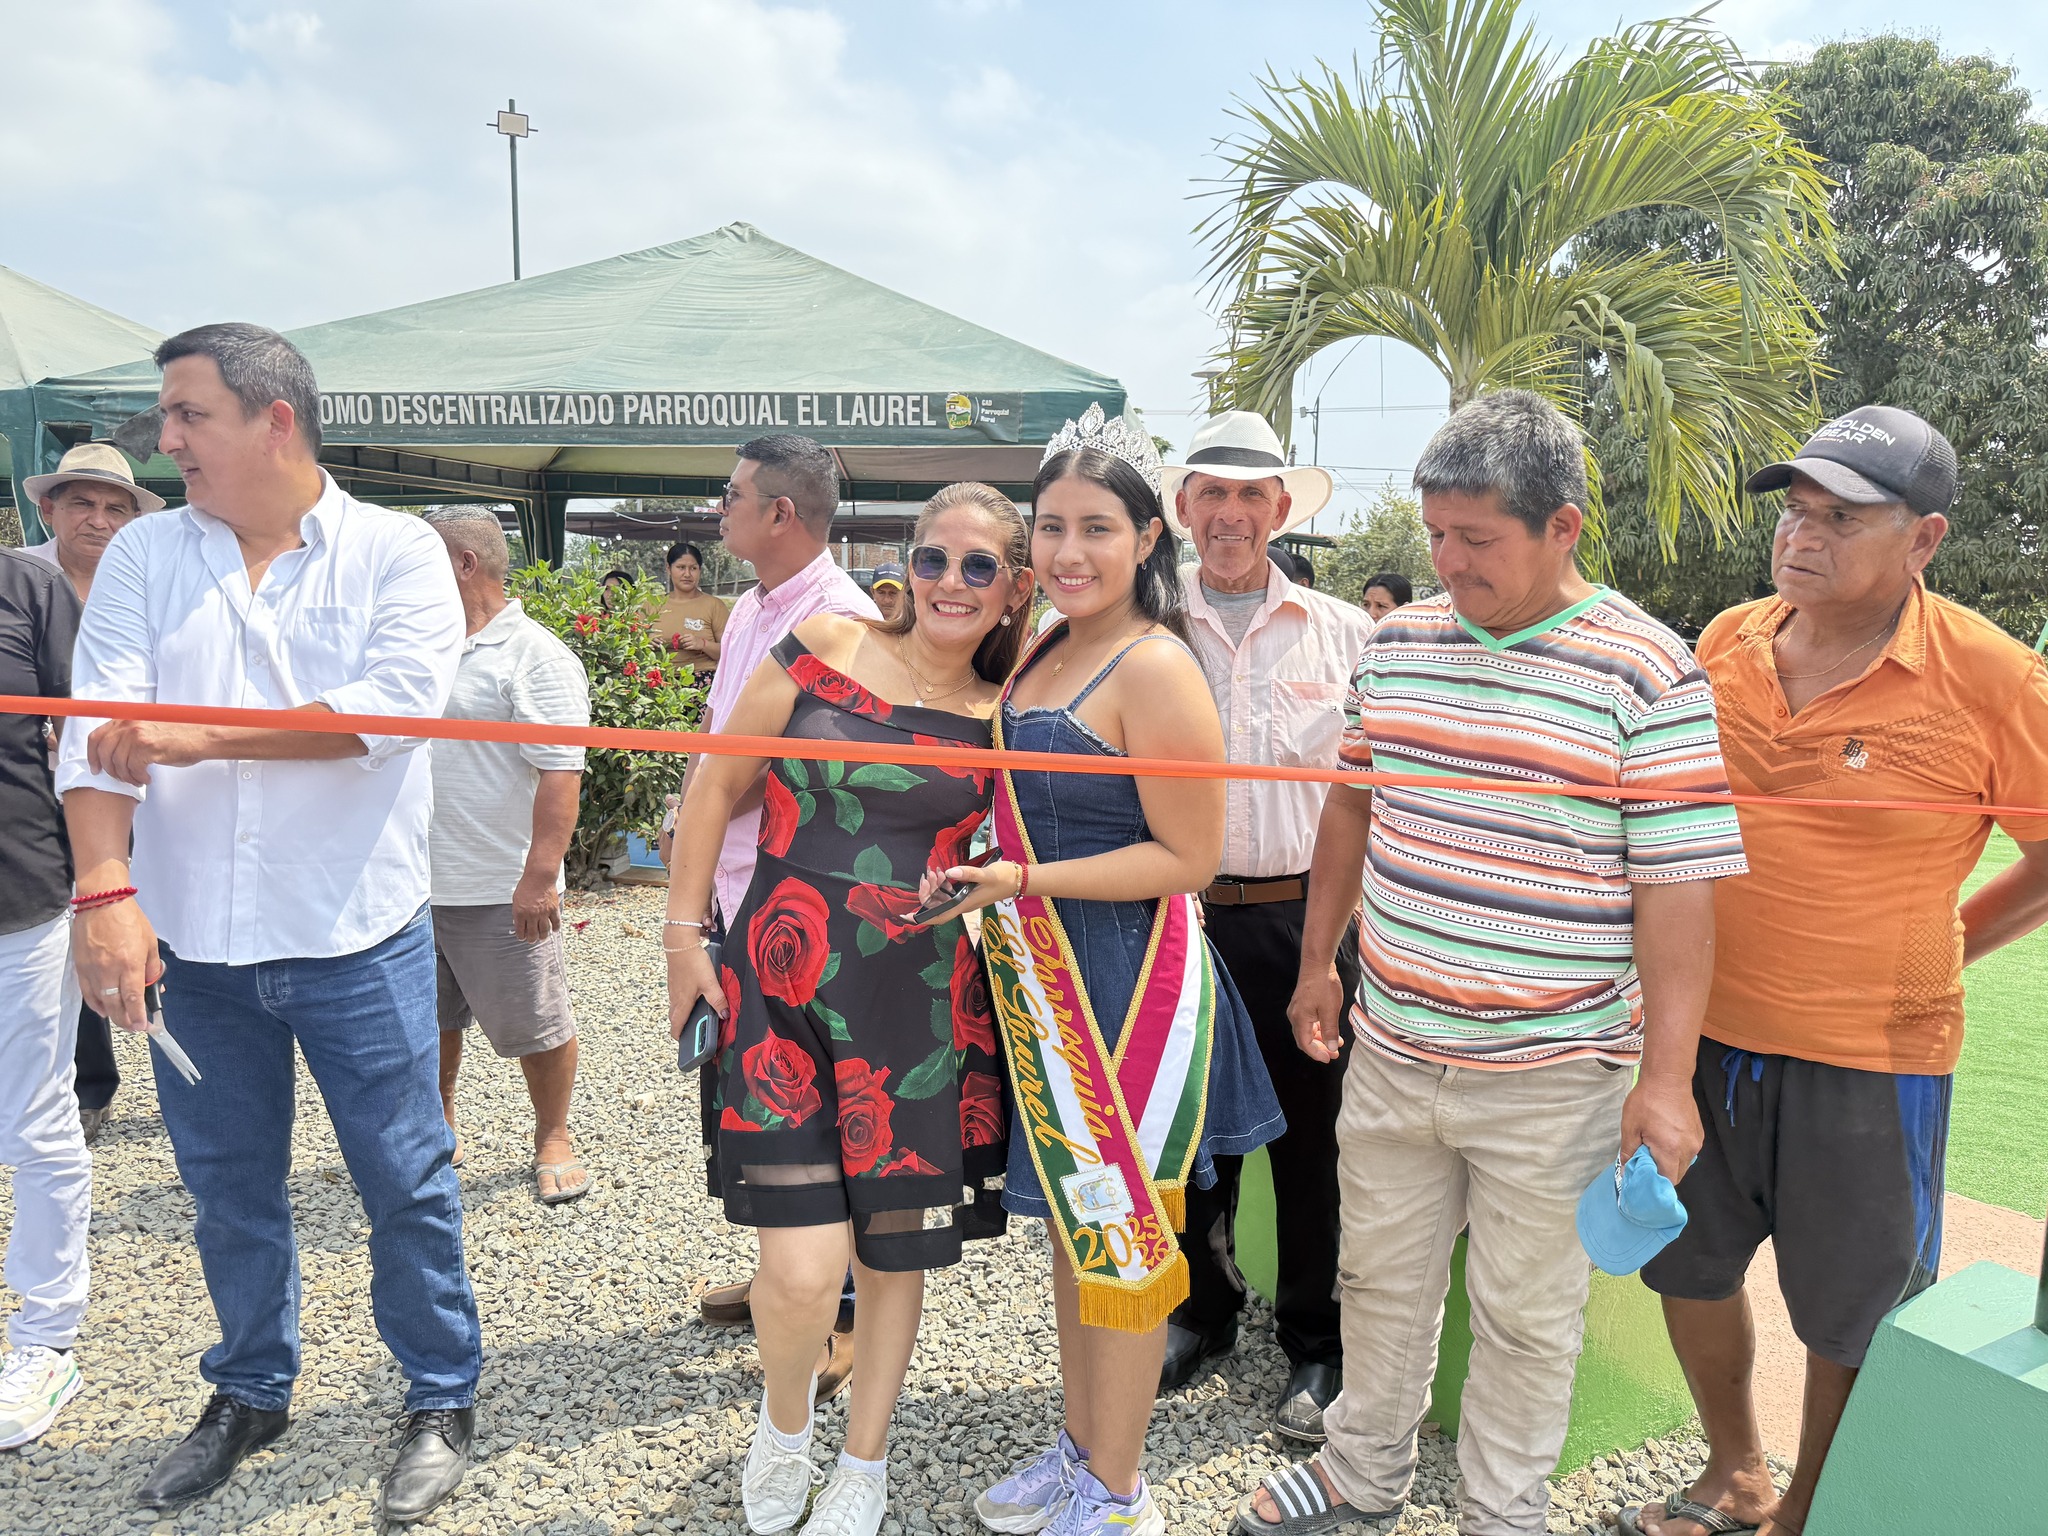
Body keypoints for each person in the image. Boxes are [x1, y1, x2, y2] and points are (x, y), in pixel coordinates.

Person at [1235, 390, 1749, 1536]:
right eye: (1434, 535)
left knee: (1525, 1316)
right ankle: (1361, 1470)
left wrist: (1664, 1081)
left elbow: (1677, 890)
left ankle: (1500, 1511)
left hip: (1553, 1073)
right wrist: (1319, 963)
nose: (1446, 563)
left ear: (1562, 527)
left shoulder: (1647, 672)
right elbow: (1350, 807)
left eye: (1475, 539)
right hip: (1392, 1047)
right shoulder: (1397, 644)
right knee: (1378, 1281)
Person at [58, 323, 481, 1522]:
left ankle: (439, 1393)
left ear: (274, 420)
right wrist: (104, 891)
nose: (168, 440)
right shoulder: (146, 555)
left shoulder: (397, 550)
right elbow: (95, 731)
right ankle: (250, 1389)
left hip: (357, 931)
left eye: (188, 414)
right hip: (191, 937)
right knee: (226, 1186)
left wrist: (199, 732)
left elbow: (395, 712)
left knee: (403, 1178)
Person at [1623, 407, 2048, 1536]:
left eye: (1841, 518)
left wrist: (1946, 944)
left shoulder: (1992, 677)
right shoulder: (1727, 640)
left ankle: (1810, 1505)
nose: (1800, 536)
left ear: (1923, 540)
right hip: (1702, 1038)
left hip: (1872, 1058)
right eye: (1795, 511)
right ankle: (1734, 1472)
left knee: (1852, 1310)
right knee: (1685, 1266)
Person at [934, 406, 1283, 1536]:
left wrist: (1023, 879)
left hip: (1128, 984)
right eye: (1050, 527)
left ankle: (1118, 1492)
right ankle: (1082, 1446)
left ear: (1145, 538)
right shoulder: (1044, 647)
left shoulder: (1156, 665)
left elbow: (1189, 857)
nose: (1068, 551)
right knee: (1071, 1229)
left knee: (1124, 1235)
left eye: (1096, 528)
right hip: (1041, 973)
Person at [666, 481, 1032, 1536]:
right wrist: (681, 935)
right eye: (932, 558)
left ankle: (863, 1462)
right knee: (796, 1269)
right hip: (776, 984)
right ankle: (784, 1427)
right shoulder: (827, 641)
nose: (951, 582)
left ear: (1013, 589)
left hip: (915, 1008)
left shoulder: (1006, 716)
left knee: (892, 1252)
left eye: (978, 566)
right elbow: (713, 786)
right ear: (905, 566)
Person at [1153, 411, 1372, 1442]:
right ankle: (1202, 1310)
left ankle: (1317, 1341)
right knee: (1190, 1131)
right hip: (1179, 916)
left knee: (1313, 1141)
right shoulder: (1149, 630)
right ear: (1183, 507)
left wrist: (1333, 945)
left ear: (1280, 509)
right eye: (1212, 493)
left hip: (1306, 918)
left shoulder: (1346, 633)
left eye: (1251, 495)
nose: (1231, 514)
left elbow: (1373, 794)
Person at [670, 434, 879, 1397]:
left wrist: (704, 802)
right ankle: (782, 1282)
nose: (720, 510)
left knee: (816, 1109)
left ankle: (841, 1310)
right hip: (736, 884)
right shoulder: (758, 605)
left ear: (780, 513)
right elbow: (724, 746)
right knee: (756, 1097)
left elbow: (767, 770)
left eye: (731, 495)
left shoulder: (839, 619)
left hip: (794, 898)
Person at [424, 508, 594, 1205]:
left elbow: (561, 773)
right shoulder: (417, 643)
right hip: (409, 882)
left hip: (497, 882)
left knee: (535, 1021)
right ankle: (438, 1122)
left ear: (464, 564)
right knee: (427, 1019)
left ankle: (553, 1135)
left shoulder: (536, 657)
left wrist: (539, 878)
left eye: (422, 558)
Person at [19, 443, 164, 1144]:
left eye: (115, 507)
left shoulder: (152, 583)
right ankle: (87, 1087)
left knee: (164, 923)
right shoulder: (18, 580)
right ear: (49, 509)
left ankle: (190, 1076)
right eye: (82, 502)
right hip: (38, 795)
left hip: (141, 785)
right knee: (68, 931)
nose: (98, 520)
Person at [0, 544, 88, 1449]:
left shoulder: (26, 587)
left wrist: (109, 890)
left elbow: (88, 741)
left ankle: (45, 1336)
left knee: (29, 1119)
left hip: (17, 898)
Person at [657, 540, 729, 680]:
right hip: (657, 680)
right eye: (681, 567)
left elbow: (730, 651)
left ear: (699, 570)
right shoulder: (653, 605)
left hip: (702, 680)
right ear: (668, 569)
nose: (687, 574)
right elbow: (632, 647)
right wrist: (648, 643)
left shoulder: (714, 605)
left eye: (693, 568)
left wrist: (702, 644)